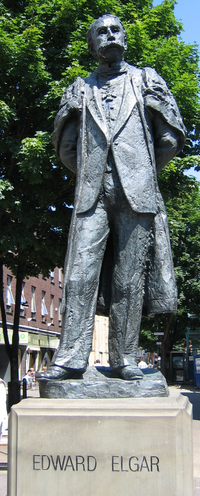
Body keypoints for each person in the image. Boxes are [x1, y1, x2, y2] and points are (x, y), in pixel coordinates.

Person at [37, 14, 186, 382]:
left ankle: (125, 359)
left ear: (124, 38)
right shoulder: (79, 88)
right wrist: (93, 172)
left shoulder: (146, 79)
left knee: (128, 280)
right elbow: (66, 145)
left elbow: (169, 137)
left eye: (115, 29)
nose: (109, 35)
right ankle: (70, 357)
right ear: (92, 44)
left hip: (137, 194)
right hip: (93, 195)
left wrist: (141, 171)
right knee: (78, 276)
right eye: (100, 32)